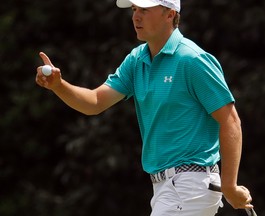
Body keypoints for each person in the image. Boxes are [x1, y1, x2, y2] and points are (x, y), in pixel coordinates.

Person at [35, 0, 253, 215]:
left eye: (145, 10)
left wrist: (229, 186)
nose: (136, 16)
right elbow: (95, 102)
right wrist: (59, 86)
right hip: (165, 188)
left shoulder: (193, 60)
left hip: (190, 185)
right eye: (134, 9)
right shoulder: (137, 60)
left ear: (170, 14)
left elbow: (230, 120)